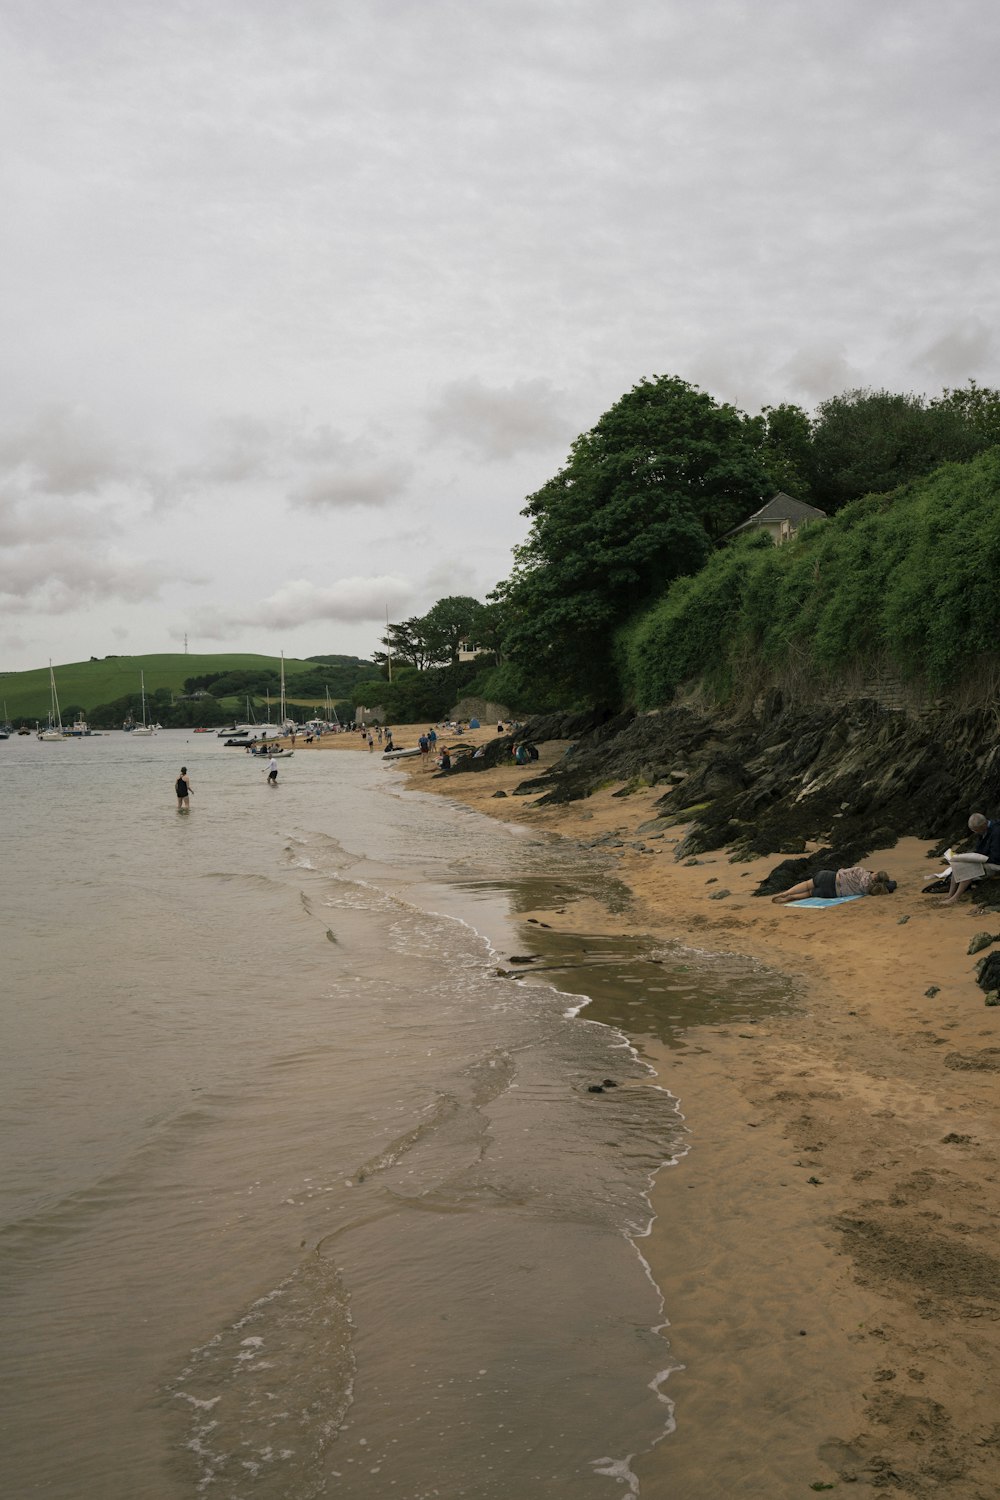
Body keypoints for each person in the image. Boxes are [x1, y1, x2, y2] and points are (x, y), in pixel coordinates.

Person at [940, 813, 1000, 904]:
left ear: (984, 825)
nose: (975, 832)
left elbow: (996, 857)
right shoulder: (984, 830)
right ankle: (950, 894)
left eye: (976, 830)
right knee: (958, 864)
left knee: (969, 867)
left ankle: (955, 897)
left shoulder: (996, 832)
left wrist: (977, 859)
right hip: (988, 859)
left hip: (996, 864)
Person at [771, 866, 896, 903]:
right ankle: (791, 898)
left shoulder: (861, 870)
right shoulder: (870, 890)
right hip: (832, 893)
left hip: (830, 878)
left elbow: (843, 871)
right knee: (809, 893)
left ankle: (787, 892)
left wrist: (841, 871)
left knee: (806, 884)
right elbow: (891, 885)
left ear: (875, 874)